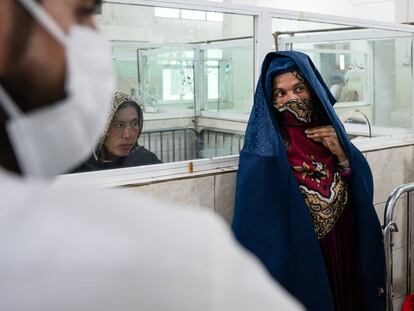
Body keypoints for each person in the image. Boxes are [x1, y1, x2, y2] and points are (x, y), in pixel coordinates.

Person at [0, 0, 303, 310]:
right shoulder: (179, 256)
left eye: (134, 125)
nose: (95, 37)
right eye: (83, 12)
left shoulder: (146, 169)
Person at [232, 51, 385, 311]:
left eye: (299, 88)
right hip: (303, 262)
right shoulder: (266, 151)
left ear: (313, 89)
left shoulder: (329, 135)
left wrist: (343, 156)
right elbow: (256, 223)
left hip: (343, 250)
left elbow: (359, 191)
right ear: (271, 101)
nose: (291, 98)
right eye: (281, 93)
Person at [73, 92, 161, 173]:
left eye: (134, 124)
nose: (127, 135)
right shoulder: (81, 164)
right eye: (119, 125)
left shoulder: (146, 162)